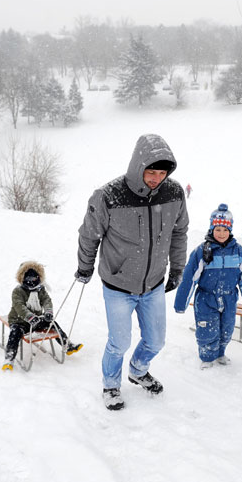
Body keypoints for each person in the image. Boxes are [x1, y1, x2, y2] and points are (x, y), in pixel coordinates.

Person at [76, 133, 189, 411]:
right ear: (139, 167)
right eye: (151, 171)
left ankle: (138, 371)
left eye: (162, 172)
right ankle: (111, 385)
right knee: (119, 342)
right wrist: (84, 266)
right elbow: (89, 235)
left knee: (156, 340)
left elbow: (179, 232)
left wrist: (177, 268)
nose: (156, 178)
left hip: (152, 284)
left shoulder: (174, 194)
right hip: (118, 285)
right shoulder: (109, 196)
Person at [174, 204, 242, 369]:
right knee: (207, 330)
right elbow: (189, 279)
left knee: (226, 329)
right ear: (212, 228)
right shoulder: (202, 251)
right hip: (206, 298)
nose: (221, 234)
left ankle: (220, 353)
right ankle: (207, 356)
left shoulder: (238, 252)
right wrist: (181, 302)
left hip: (229, 297)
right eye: (218, 229)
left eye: (225, 230)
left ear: (230, 230)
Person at [3, 261, 83, 370]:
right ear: (23, 278)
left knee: (52, 324)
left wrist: (48, 312)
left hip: (36, 320)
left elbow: (47, 300)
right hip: (19, 321)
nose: (32, 281)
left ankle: (67, 345)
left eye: (34, 279)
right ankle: (9, 358)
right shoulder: (17, 291)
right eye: (29, 279)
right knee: (15, 333)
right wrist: (30, 317)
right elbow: (19, 307)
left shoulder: (40, 289)